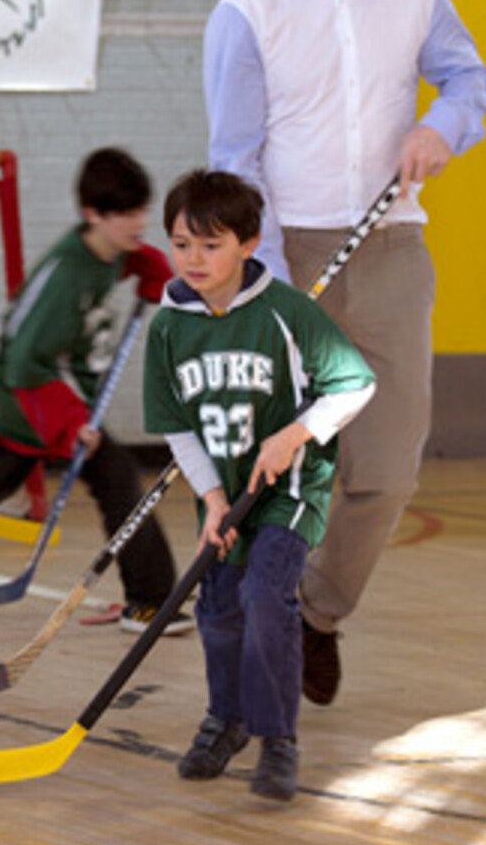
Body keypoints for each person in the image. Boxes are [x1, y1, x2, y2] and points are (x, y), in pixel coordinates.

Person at [203, 0, 486, 705]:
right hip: (290, 257)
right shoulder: (244, 13)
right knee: (274, 471)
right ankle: (244, 653)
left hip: (392, 245)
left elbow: (468, 80)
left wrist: (443, 128)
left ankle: (314, 613)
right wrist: (268, 280)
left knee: (388, 469)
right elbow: (234, 162)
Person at [144, 170, 375, 802]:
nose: (194, 259)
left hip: (291, 488)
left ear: (248, 244)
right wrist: (214, 500)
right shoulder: (168, 327)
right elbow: (176, 428)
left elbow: (355, 384)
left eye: (210, 245)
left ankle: (278, 738)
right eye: (181, 244)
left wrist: (294, 435)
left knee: (266, 597)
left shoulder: (286, 313)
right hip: (226, 494)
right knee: (217, 609)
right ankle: (228, 719)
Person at [0, 147, 183, 632]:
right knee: (116, 478)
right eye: (127, 214)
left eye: (142, 210)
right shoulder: (68, 276)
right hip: (27, 387)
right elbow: (26, 360)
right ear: (93, 215)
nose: (139, 222)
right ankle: (150, 599)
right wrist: (71, 422)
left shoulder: (108, 251)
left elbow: (130, 261)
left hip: (48, 387)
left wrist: (150, 267)